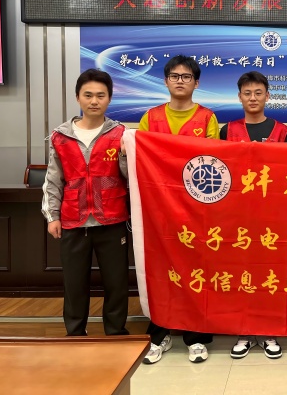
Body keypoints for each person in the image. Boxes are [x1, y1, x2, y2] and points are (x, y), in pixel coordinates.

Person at [139, 54, 219, 365]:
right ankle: (160, 334)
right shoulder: (151, 117)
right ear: (166, 81)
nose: (180, 81)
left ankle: (195, 336)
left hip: (196, 209)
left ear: (196, 83)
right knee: (161, 272)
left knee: (196, 270)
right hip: (159, 208)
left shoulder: (207, 118)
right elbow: (141, 157)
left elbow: (214, 163)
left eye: (187, 76)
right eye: (175, 76)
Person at [42, 68, 130, 338]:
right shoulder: (60, 136)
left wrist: (125, 156)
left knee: (116, 282)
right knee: (74, 283)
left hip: (112, 219)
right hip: (73, 219)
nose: (94, 101)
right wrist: (52, 216)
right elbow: (53, 179)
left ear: (109, 98)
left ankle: (115, 330)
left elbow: (131, 177)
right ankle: (75, 332)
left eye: (100, 95)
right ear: (78, 98)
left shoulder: (121, 134)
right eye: (88, 95)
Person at [220, 70, 287, 359]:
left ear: (267, 96)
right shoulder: (226, 131)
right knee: (241, 273)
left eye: (258, 93)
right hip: (237, 216)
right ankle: (244, 331)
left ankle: (269, 330)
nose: (253, 98)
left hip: (272, 216)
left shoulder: (283, 132)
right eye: (247, 93)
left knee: (270, 273)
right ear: (239, 97)